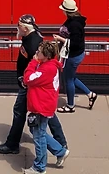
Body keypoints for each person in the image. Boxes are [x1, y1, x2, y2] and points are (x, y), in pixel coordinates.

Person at [0, 14, 67, 155]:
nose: (17, 28)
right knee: (47, 114)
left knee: (21, 111)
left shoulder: (33, 43)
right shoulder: (28, 38)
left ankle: (12, 144)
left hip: (29, 84)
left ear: (25, 28)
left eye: (19, 26)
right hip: (27, 83)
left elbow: (38, 66)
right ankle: (61, 141)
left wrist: (26, 80)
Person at [22, 40, 69, 174]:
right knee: (37, 132)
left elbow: (28, 79)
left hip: (41, 106)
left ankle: (39, 167)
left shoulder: (47, 68)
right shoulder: (49, 65)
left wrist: (33, 62)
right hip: (43, 104)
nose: (36, 53)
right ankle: (60, 151)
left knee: (39, 137)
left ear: (47, 56)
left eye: (39, 51)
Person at [51, 0, 97, 112]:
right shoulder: (74, 21)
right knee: (71, 78)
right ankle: (90, 94)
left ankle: (70, 106)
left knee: (69, 80)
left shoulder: (74, 24)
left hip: (73, 56)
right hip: (74, 54)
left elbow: (75, 42)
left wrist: (60, 38)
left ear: (66, 11)